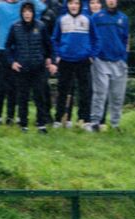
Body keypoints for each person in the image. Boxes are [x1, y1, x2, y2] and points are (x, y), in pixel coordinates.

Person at [0, 0, 46, 125]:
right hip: (2, 48)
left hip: (18, 50)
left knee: (16, 85)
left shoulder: (24, 6)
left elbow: (41, 7)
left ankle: (12, 116)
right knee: (1, 85)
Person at [6, 0, 57, 133]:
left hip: (38, 68)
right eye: (24, 12)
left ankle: (41, 124)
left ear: (33, 13)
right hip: (22, 68)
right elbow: (8, 46)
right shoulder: (15, 27)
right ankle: (23, 124)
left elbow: (49, 46)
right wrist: (12, 62)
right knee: (22, 97)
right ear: (21, 13)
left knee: (39, 96)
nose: (27, 14)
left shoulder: (41, 26)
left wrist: (51, 61)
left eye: (29, 12)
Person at [52, 0, 97, 128]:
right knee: (63, 90)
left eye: (76, 3)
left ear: (80, 5)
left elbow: (96, 39)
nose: (74, 6)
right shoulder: (61, 19)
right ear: (67, 5)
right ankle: (60, 119)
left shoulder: (88, 19)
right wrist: (58, 55)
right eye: (71, 3)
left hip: (83, 60)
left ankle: (85, 120)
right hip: (65, 60)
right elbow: (54, 39)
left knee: (85, 91)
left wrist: (92, 56)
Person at [89, 0, 129, 132]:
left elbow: (126, 39)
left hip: (119, 61)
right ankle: (95, 122)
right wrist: (94, 55)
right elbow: (91, 37)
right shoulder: (96, 17)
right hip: (101, 60)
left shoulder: (124, 18)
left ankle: (115, 124)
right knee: (100, 93)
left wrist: (124, 58)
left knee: (117, 95)